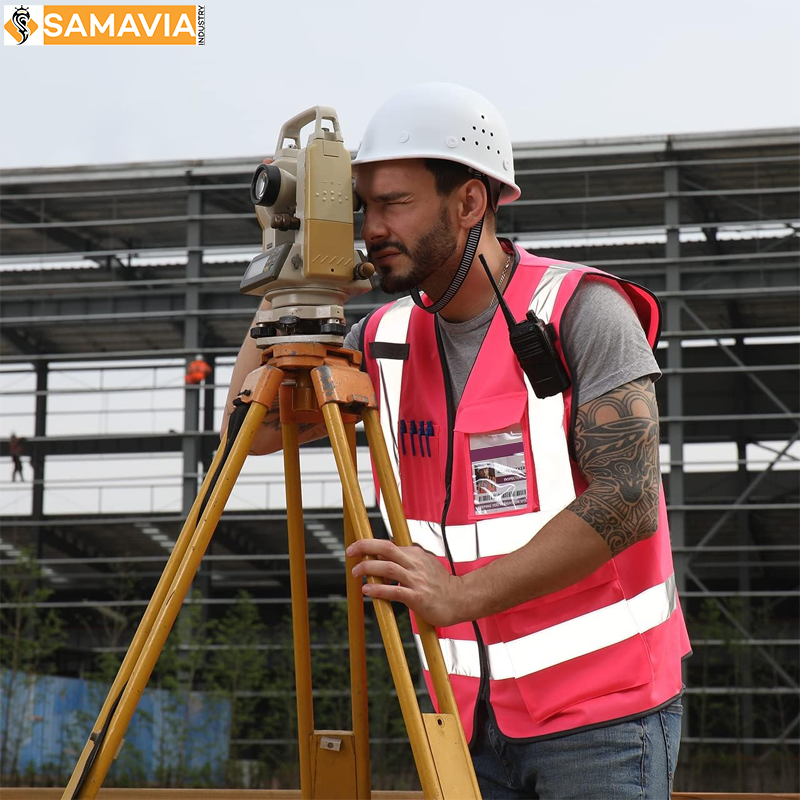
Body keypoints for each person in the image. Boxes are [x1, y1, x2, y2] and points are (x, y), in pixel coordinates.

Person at [224, 83, 691, 799]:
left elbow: (628, 502)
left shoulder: (582, 310)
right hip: (462, 717)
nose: (372, 228)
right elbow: (247, 434)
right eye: (362, 206)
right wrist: (290, 280)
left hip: (602, 715)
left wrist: (459, 596)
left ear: (471, 202)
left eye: (394, 203)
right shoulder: (381, 340)